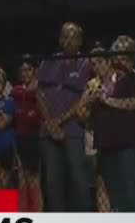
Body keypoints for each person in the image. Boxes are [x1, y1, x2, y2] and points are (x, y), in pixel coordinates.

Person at [89, 36, 135, 212]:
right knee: (115, 194)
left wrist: (108, 101)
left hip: (129, 146)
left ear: (130, 58)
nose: (117, 60)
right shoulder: (105, 81)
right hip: (107, 145)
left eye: (122, 56)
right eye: (115, 55)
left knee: (132, 191)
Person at [36, 23, 94, 212]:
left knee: (78, 181)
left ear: (80, 41)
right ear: (60, 40)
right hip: (48, 131)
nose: (69, 40)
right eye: (65, 36)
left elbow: (85, 98)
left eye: (74, 36)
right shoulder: (48, 62)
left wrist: (59, 122)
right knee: (53, 184)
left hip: (73, 130)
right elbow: (40, 93)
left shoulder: (86, 64)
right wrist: (50, 124)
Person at [11, 55, 43, 210]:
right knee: (21, 180)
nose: (25, 73)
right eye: (22, 70)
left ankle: (38, 214)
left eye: (28, 69)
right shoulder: (16, 91)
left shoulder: (41, 90)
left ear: (34, 71)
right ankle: (24, 214)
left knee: (33, 180)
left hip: (34, 138)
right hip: (19, 139)